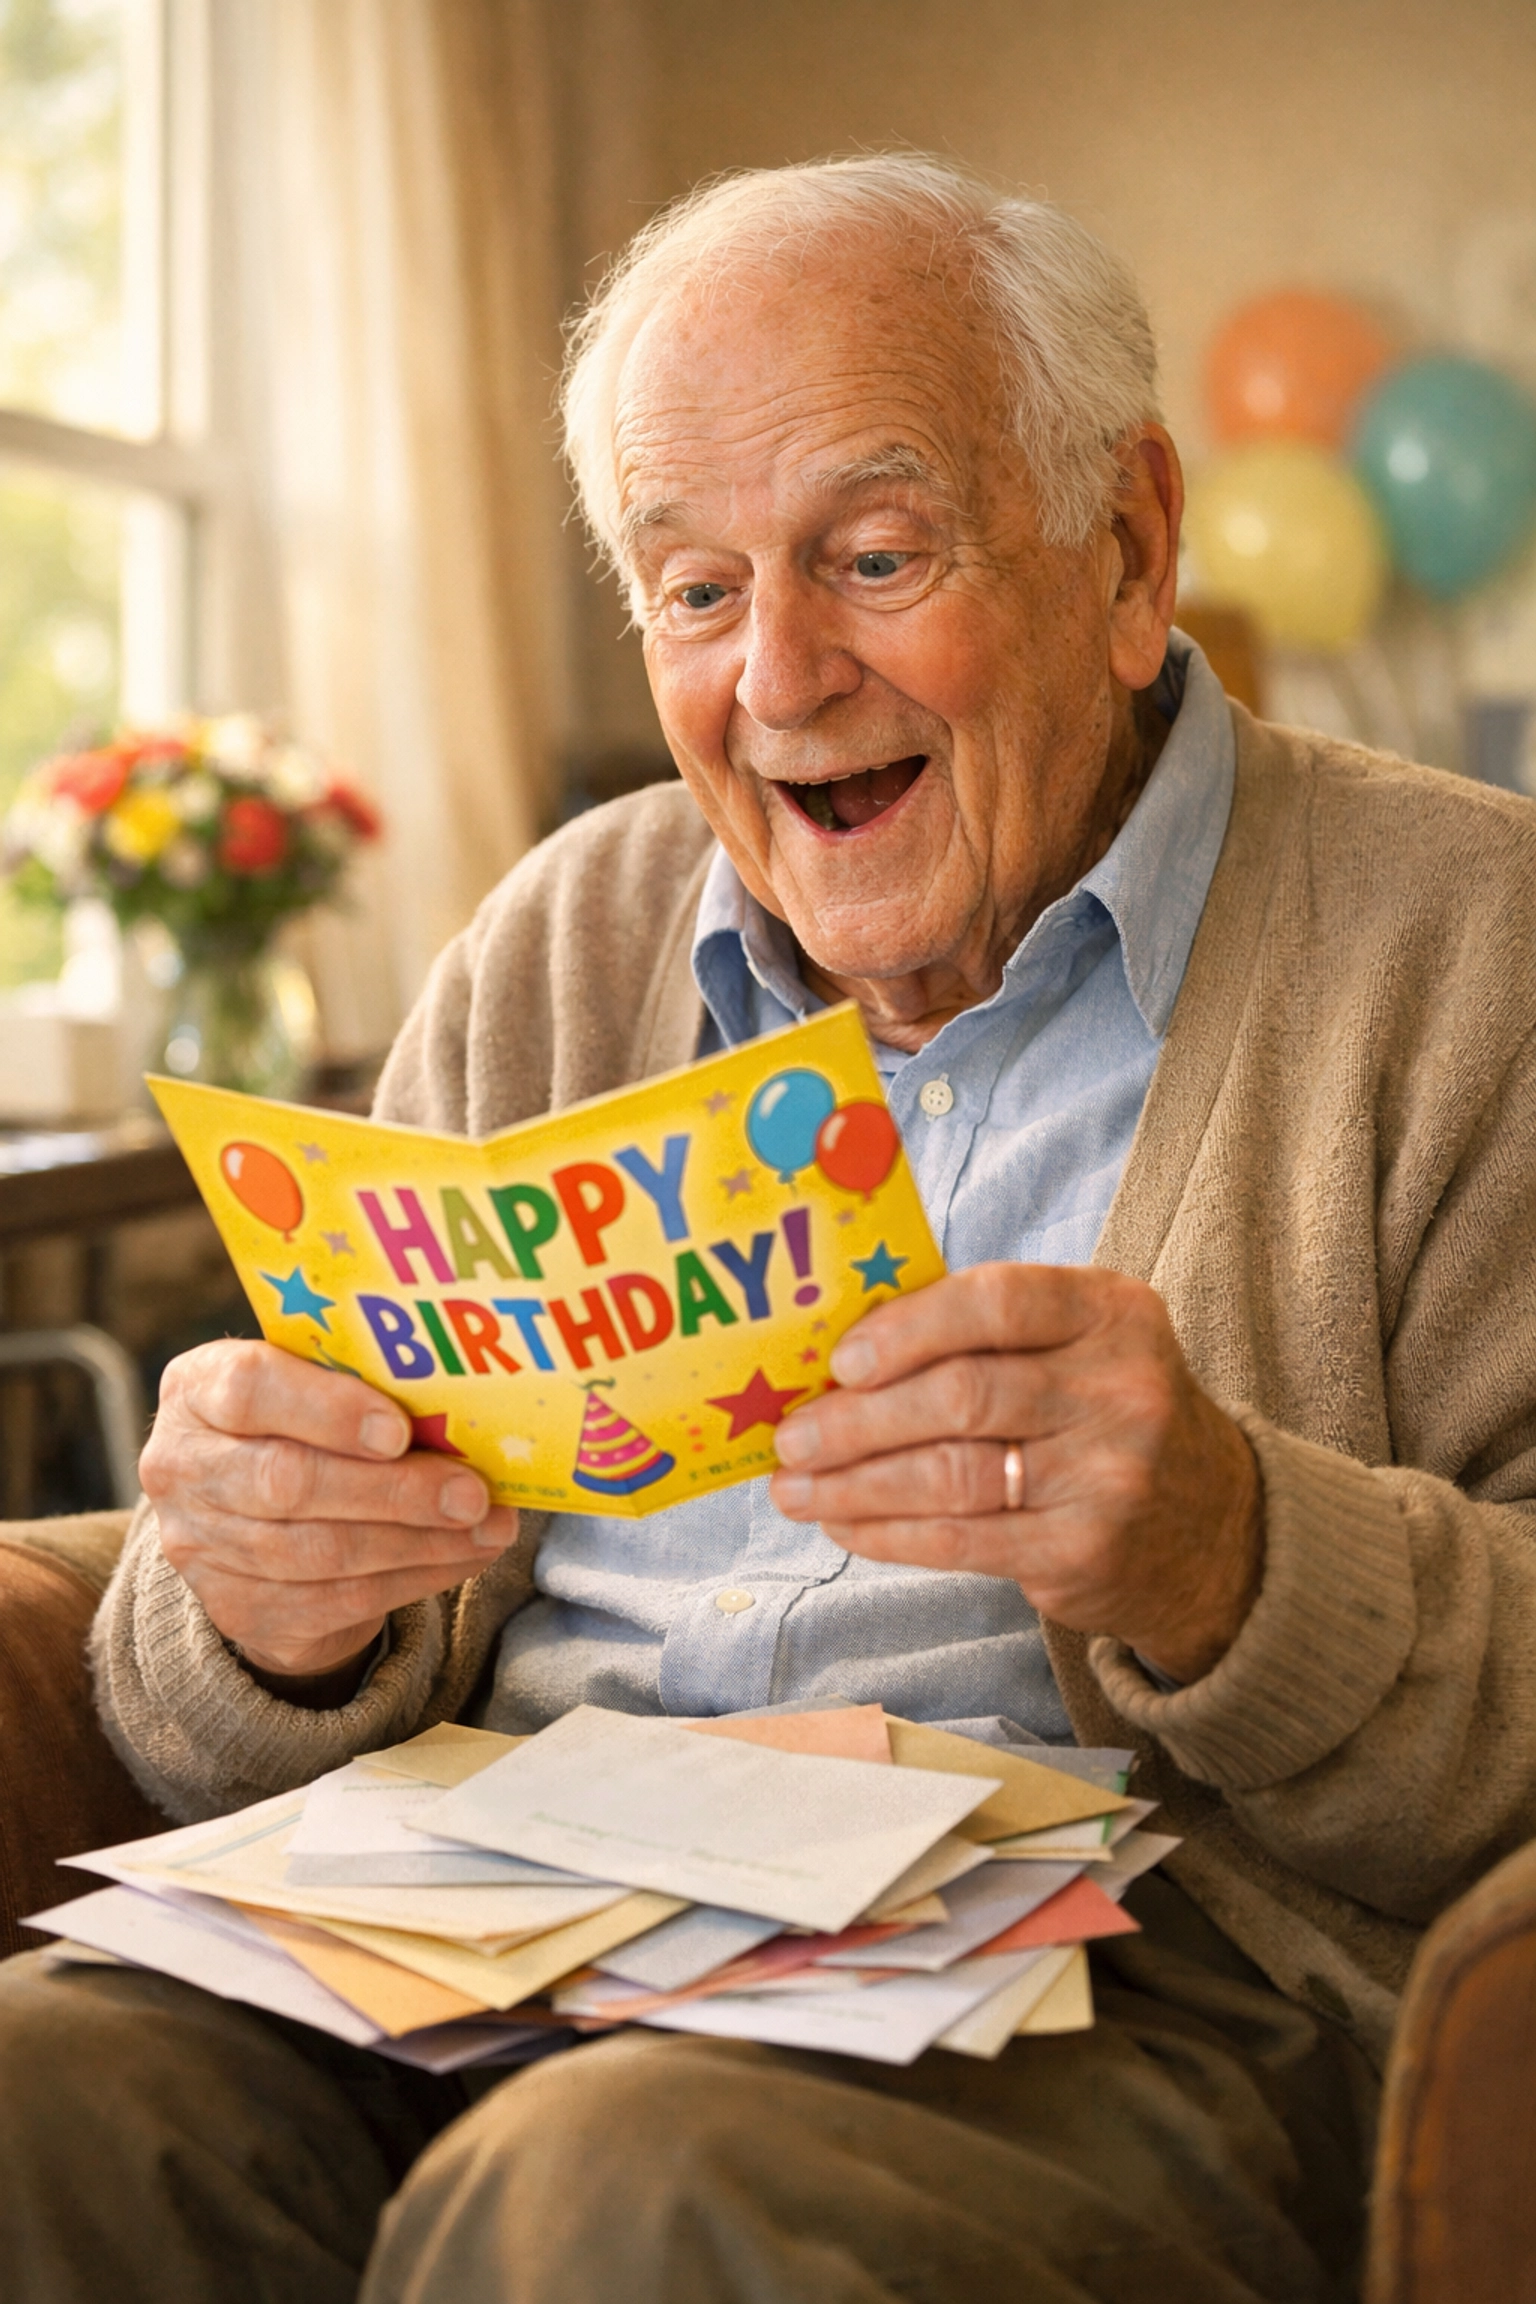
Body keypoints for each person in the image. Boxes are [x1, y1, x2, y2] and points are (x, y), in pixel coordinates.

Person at [3, 152, 1536, 2304]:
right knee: (35, 2091)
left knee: (622, 2190)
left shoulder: (1477, 948)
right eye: (697, 588)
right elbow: (209, 1672)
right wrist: (271, 1605)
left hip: (1122, 1986)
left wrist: (1232, 1549)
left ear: (1132, 545)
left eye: (877, 554)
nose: (783, 675)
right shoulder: (565, 935)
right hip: (496, 1901)